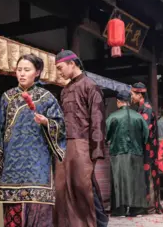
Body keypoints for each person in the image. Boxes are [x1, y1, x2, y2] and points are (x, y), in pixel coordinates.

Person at [0, 54, 66, 227]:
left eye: (27, 70)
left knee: (39, 215)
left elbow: (61, 127)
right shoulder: (7, 98)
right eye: (19, 70)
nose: (22, 74)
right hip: (12, 168)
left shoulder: (47, 98)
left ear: (37, 72)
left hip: (37, 166)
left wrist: (47, 122)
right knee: (13, 217)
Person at [54, 50, 109, 227]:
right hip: (65, 145)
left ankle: (99, 223)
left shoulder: (90, 86)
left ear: (72, 63)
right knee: (64, 188)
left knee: (83, 186)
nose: (59, 72)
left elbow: (97, 119)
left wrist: (97, 149)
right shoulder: (65, 90)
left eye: (60, 67)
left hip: (83, 144)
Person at [107, 89, 149, 217]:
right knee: (136, 180)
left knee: (119, 181)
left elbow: (106, 134)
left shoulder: (113, 117)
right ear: (129, 102)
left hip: (118, 151)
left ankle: (119, 210)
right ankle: (136, 209)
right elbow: (146, 135)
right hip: (137, 152)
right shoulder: (139, 117)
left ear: (118, 102)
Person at [130, 82, 163, 214]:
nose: (131, 97)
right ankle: (148, 204)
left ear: (140, 94)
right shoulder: (141, 109)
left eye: (133, 94)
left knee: (148, 175)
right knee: (146, 175)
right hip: (146, 148)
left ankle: (148, 205)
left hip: (148, 148)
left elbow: (145, 130)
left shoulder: (147, 109)